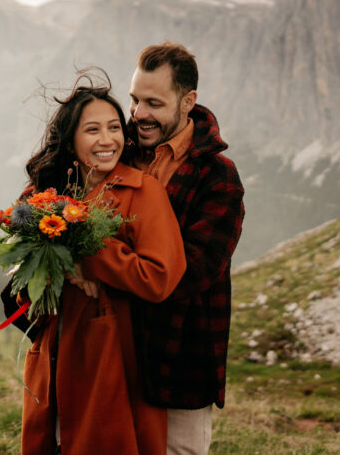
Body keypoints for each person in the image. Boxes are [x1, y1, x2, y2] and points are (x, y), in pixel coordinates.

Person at [13, 74, 187, 454]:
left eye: (114, 128)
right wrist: (63, 267)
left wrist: (88, 257)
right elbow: (21, 271)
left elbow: (159, 278)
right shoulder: (46, 194)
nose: (107, 139)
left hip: (110, 352)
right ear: (71, 140)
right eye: (92, 129)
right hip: (54, 348)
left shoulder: (143, 191)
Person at [104, 41, 244, 455]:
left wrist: (95, 264)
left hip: (178, 358)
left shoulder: (218, 177)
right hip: (112, 349)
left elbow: (190, 272)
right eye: (134, 100)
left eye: (153, 102)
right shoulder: (118, 148)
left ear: (188, 102)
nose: (138, 114)